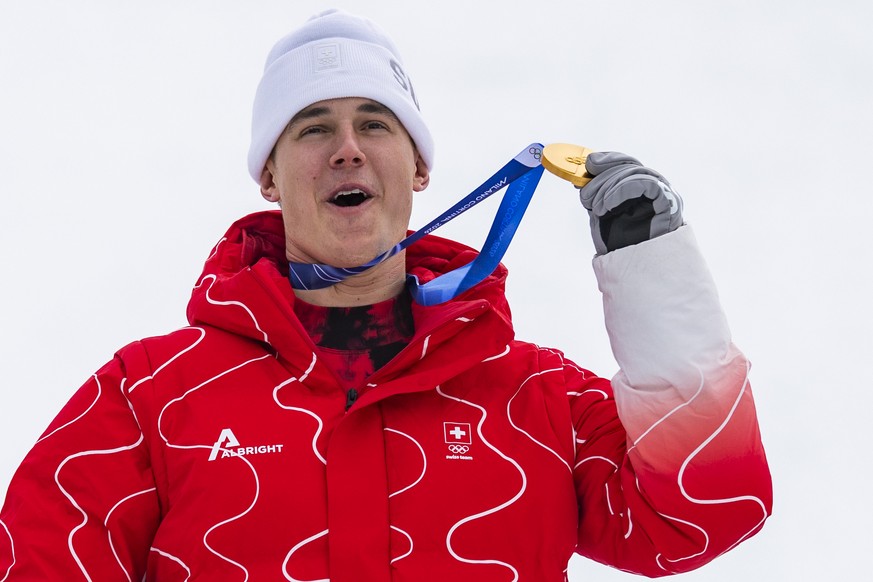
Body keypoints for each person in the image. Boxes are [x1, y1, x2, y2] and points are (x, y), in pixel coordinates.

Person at [0, 8, 771, 581]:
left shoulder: (536, 399)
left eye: (375, 124)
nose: (346, 148)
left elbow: (697, 515)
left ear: (418, 170)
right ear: (268, 177)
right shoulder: (148, 396)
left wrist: (653, 270)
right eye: (310, 129)